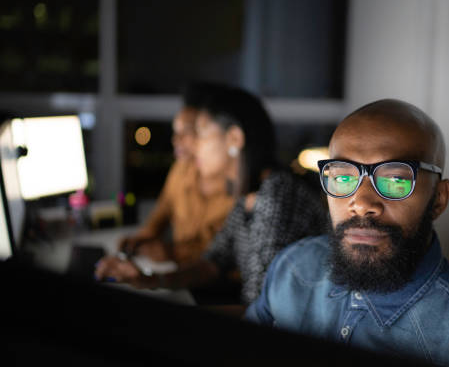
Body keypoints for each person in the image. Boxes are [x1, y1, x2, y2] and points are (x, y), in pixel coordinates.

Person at [245, 99, 449, 366]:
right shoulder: (293, 269)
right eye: (343, 177)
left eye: (395, 181)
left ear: (438, 199)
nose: (361, 204)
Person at [95, 83, 330, 306]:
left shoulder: (276, 196)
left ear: (234, 139)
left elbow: (261, 310)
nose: (196, 146)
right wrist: (149, 280)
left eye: (203, 134)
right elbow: (212, 263)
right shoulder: (248, 194)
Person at [117, 100, 235, 265]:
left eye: (187, 132)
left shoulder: (235, 189)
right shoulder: (181, 169)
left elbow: (223, 253)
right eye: (175, 132)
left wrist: (172, 252)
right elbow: (161, 213)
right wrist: (141, 239)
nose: (175, 139)